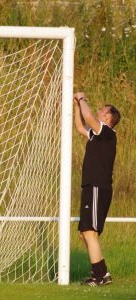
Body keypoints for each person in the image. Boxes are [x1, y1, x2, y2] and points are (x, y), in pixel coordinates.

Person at [73, 92, 121, 287]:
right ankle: (102, 274)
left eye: (103, 110)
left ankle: (99, 276)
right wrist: (77, 106)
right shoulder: (96, 135)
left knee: (89, 231)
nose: (99, 111)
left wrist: (82, 99)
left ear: (108, 117)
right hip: (91, 187)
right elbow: (80, 127)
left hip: (97, 187)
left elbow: (90, 118)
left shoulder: (107, 133)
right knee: (85, 232)